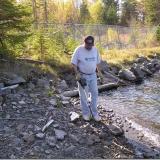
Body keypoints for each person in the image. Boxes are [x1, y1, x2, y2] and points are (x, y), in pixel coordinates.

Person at [71, 35, 103, 121]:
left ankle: (95, 113)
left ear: (93, 43)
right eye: (88, 45)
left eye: (91, 45)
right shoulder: (79, 50)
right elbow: (74, 63)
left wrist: (99, 72)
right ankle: (86, 114)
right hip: (82, 76)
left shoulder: (95, 50)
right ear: (84, 42)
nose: (89, 46)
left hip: (93, 75)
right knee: (84, 96)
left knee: (95, 94)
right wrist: (76, 73)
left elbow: (98, 62)